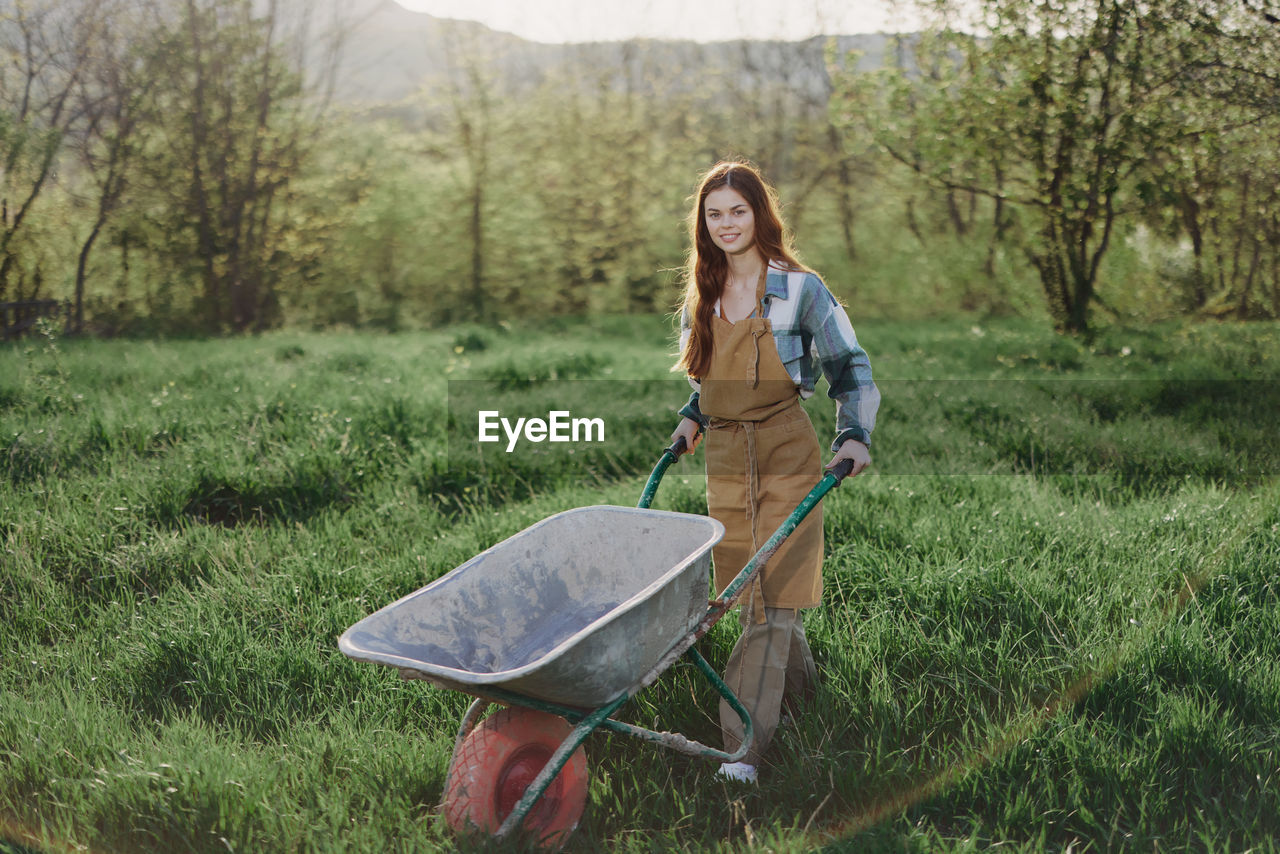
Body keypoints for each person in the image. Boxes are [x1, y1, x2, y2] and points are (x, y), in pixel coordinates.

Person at [670, 160, 879, 784]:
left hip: (787, 448)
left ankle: (741, 751)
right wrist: (691, 417)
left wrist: (855, 435)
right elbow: (707, 380)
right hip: (726, 455)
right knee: (755, 594)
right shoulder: (702, 295)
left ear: (761, 214)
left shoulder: (800, 289)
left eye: (738, 211)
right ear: (702, 225)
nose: (727, 224)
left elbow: (852, 368)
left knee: (767, 598)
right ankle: (810, 700)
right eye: (715, 214)